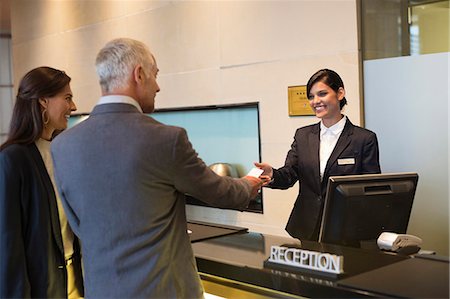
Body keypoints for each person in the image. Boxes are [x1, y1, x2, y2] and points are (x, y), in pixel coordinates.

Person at [51, 37, 263, 298]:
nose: (158, 86)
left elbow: (77, 223)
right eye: (155, 75)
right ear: (139, 74)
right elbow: (218, 191)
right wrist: (249, 185)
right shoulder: (166, 139)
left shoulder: (62, 145)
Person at [256, 69, 381, 242]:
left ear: (340, 93)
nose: (315, 101)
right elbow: (290, 174)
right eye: (311, 96)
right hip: (307, 226)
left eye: (322, 94)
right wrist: (272, 174)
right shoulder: (303, 136)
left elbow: (370, 188)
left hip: (345, 230)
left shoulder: (364, 139)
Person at [0, 67, 83, 298]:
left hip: (75, 281)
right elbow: (9, 245)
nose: (73, 107)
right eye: (67, 98)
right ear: (43, 102)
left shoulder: (64, 152)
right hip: (41, 288)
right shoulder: (12, 159)